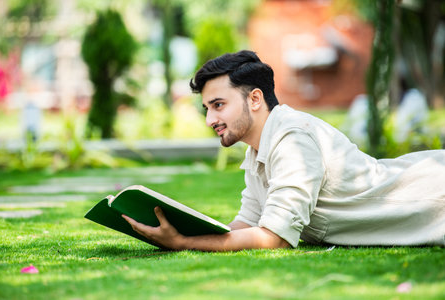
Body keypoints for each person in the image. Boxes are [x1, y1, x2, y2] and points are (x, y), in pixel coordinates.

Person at [123, 50, 445, 251]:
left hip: (434, 194)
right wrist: (178, 228)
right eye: (207, 108)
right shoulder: (258, 152)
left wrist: (184, 244)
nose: (210, 119)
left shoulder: (293, 139)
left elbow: (272, 237)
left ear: (255, 99)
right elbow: (247, 224)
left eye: (218, 105)